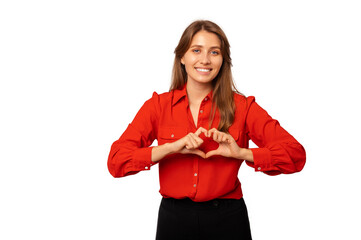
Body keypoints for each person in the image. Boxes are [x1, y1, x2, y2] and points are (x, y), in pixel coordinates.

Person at [108, 20, 306, 240]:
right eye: (196, 50)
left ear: (223, 60)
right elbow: (116, 161)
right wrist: (170, 148)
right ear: (182, 57)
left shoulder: (244, 107)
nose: (205, 59)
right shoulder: (157, 107)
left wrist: (242, 153)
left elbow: (295, 154)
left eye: (214, 52)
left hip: (228, 220)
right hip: (174, 220)